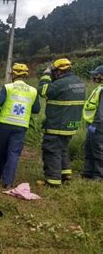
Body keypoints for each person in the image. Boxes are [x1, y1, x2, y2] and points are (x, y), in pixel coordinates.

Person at [0, 63, 40, 188]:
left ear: (13, 74)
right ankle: (8, 182)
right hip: (21, 126)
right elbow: (36, 109)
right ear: (25, 75)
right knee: (14, 153)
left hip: (4, 124)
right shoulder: (33, 91)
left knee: (0, 150)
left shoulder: (8, 87)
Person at [37, 58, 85, 187]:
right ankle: (65, 174)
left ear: (58, 71)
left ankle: (52, 181)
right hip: (71, 125)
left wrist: (46, 74)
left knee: (51, 151)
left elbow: (43, 91)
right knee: (62, 149)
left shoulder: (60, 84)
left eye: (53, 72)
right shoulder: (79, 82)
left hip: (57, 125)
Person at [81, 65, 103, 181]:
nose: (95, 76)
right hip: (92, 124)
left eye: (97, 74)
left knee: (98, 150)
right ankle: (88, 171)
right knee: (89, 148)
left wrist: (96, 124)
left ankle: (99, 175)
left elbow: (101, 110)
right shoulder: (99, 88)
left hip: (98, 125)